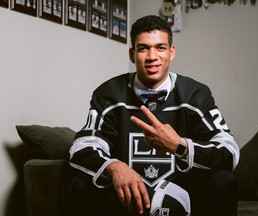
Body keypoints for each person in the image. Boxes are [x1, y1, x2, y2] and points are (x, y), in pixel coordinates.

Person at [68, 15, 240, 216]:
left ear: (171, 52)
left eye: (160, 47)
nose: (152, 56)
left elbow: (230, 152)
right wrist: (113, 166)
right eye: (143, 48)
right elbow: (83, 145)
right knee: (79, 183)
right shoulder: (110, 93)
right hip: (127, 194)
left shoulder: (194, 94)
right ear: (132, 55)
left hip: (184, 188)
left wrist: (179, 146)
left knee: (224, 180)